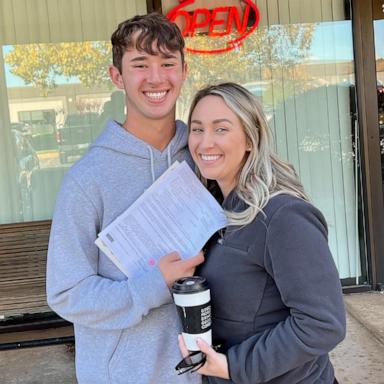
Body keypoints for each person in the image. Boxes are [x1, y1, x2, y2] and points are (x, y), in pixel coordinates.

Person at [46, 13, 204, 384]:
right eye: (140, 64)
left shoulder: (204, 158)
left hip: (208, 372)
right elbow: (67, 292)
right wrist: (151, 286)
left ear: (183, 70)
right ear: (117, 76)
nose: (155, 78)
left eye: (167, 63)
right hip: (125, 374)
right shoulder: (87, 179)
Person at [179, 82, 346, 383]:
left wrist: (234, 366)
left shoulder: (282, 215)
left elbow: (323, 323)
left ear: (249, 139)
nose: (205, 143)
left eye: (221, 129)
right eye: (197, 129)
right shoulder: (215, 210)